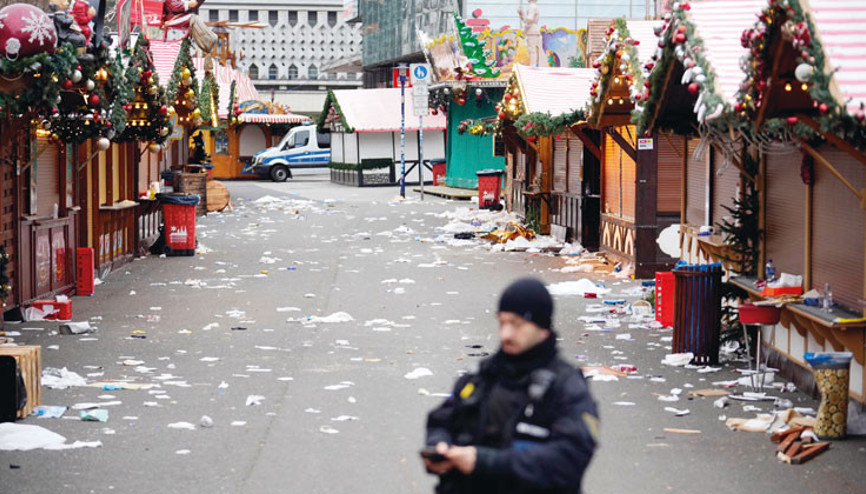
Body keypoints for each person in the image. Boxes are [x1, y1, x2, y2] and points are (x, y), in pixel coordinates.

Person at [424, 278, 599, 494]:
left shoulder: (567, 387)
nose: (506, 334)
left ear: (542, 327)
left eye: (516, 324)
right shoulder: (481, 376)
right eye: (502, 323)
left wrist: (484, 461)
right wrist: (439, 446)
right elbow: (441, 420)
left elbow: (567, 461)